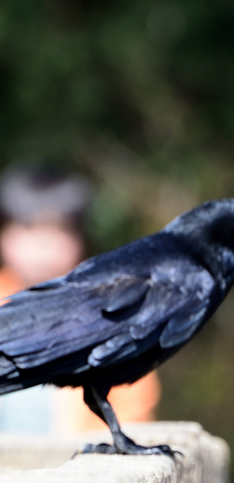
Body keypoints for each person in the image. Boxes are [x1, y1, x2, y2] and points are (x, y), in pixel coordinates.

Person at [0, 162, 160, 435]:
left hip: (78, 468)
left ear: (81, 237)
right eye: (28, 227)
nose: (43, 244)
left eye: (59, 229)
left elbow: (133, 407)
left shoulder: (111, 311)